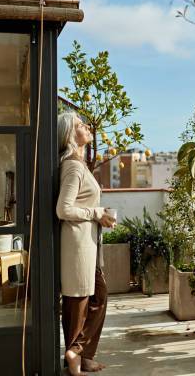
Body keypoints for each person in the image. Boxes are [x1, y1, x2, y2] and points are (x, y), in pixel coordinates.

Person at [56, 112, 115, 375]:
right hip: (78, 244)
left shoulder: (80, 163)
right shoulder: (72, 166)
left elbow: (81, 203)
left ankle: (81, 353)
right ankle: (75, 357)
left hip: (89, 243)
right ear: (70, 134)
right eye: (80, 125)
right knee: (78, 302)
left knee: (98, 296)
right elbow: (63, 209)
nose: (87, 127)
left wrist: (100, 214)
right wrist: (95, 214)